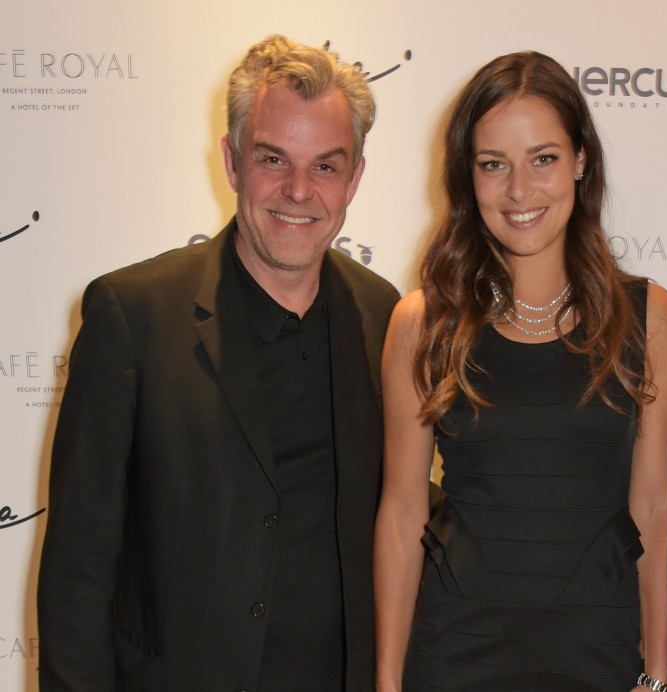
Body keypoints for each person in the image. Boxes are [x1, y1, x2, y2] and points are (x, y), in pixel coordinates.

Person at [37, 35, 399, 691]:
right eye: (272, 159)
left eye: (325, 166)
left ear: (354, 178)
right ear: (232, 162)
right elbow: (77, 571)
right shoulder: (132, 314)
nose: (297, 191)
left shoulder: (385, 316)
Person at [373, 51, 667, 692]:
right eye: (493, 165)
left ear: (580, 162)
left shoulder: (648, 317)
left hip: (600, 655)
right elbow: (403, 517)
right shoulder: (422, 322)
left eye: (542, 158)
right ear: (468, 176)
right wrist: (387, 682)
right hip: (456, 655)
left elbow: (652, 507)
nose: (519, 190)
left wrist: (657, 674)